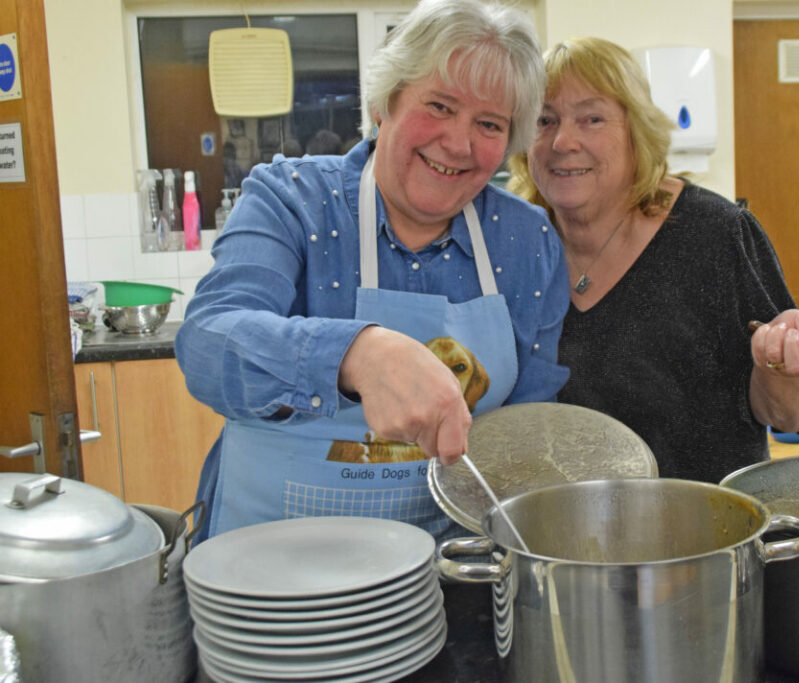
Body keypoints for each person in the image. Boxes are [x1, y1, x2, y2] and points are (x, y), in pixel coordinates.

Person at [176, 0, 568, 543]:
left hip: (440, 579)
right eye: (439, 105)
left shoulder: (526, 242)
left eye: (489, 123)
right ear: (386, 104)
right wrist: (357, 354)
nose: (458, 143)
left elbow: (527, 433)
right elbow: (206, 342)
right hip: (266, 572)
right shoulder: (292, 200)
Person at [508, 37, 799, 483]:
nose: (563, 141)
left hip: (704, 533)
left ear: (636, 131)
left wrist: (779, 365)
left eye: (592, 118)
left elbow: (791, 416)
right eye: (545, 120)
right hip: (561, 536)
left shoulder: (717, 234)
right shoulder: (512, 247)